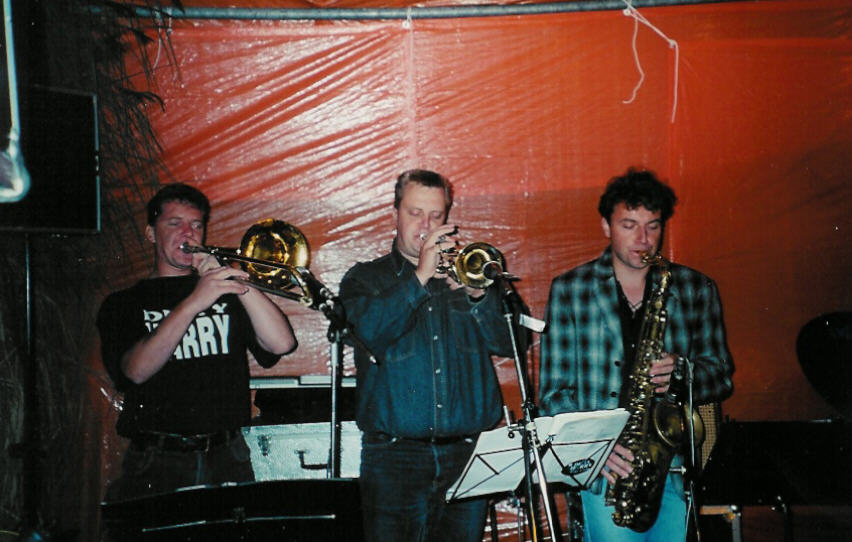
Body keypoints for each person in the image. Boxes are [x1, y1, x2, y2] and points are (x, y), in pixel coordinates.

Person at [538, 168, 734, 541]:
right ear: (606, 226)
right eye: (629, 225)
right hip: (607, 473)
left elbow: (721, 375)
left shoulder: (695, 288)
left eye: (653, 226)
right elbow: (553, 395)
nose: (643, 239)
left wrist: (681, 372)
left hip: (673, 470)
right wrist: (597, 448)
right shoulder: (570, 289)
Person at [338, 169, 514, 542]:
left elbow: (512, 343)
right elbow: (365, 333)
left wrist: (479, 296)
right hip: (394, 459)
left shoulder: (471, 277)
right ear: (395, 213)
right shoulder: (364, 279)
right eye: (415, 213)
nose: (426, 225)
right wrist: (419, 277)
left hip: (465, 455)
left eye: (436, 216)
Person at [97, 183, 297, 501]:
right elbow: (134, 371)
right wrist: (194, 302)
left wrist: (230, 276)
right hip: (158, 460)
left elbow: (281, 344)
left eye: (196, 225)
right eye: (174, 223)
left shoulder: (220, 289)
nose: (187, 233)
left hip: (227, 454)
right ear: (151, 233)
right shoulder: (124, 303)